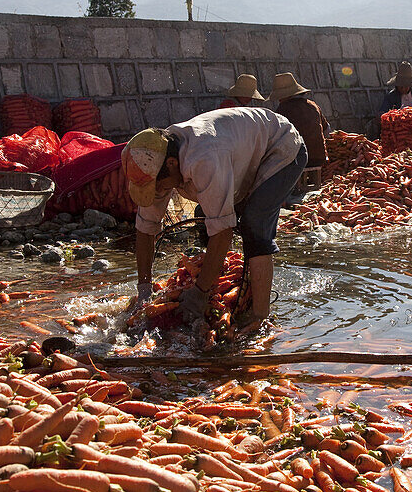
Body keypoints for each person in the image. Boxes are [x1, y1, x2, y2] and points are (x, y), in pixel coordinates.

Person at [123, 108, 306, 334]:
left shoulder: (204, 157)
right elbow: (145, 229)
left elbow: (223, 231)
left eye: (160, 185)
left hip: (280, 147)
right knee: (205, 214)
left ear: (171, 164)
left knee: (254, 225)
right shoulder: (153, 159)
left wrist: (199, 292)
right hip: (240, 155)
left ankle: (259, 319)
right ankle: (221, 280)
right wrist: (144, 288)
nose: (159, 191)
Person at [270, 72, 329, 169]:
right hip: (319, 158)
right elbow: (327, 131)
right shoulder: (313, 105)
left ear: (285, 95)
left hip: (298, 159)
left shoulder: (283, 109)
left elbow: (276, 137)